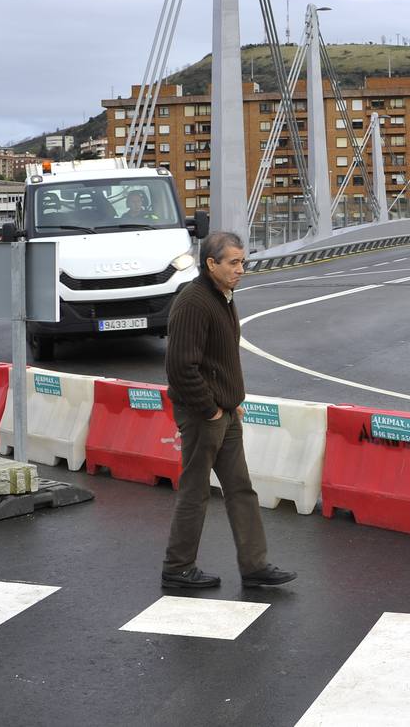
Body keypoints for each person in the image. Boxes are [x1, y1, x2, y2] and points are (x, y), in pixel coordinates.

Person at [160, 231, 295, 591]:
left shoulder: (222, 296)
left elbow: (219, 360)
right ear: (211, 264)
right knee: (195, 491)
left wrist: (231, 402)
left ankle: (254, 566)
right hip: (204, 416)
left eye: (243, 262)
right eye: (234, 262)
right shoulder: (194, 303)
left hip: (226, 411)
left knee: (241, 489)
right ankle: (178, 567)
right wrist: (210, 410)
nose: (241, 269)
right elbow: (181, 368)